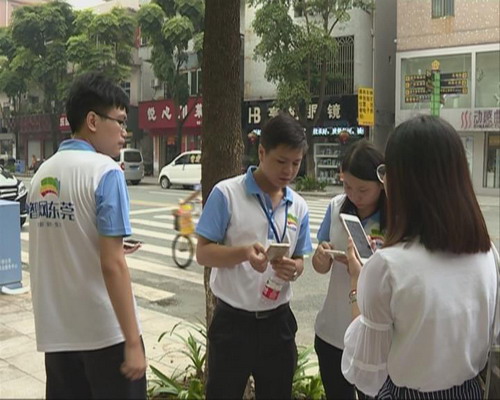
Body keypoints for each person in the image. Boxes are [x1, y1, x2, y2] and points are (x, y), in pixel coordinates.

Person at [341, 115, 498, 399]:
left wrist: (355, 284)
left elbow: (366, 373)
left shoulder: (387, 266)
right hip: (470, 391)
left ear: (403, 182)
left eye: (386, 172)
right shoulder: (487, 252)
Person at [28, 72, 147, 399]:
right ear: (92, 121)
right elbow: (112, 264)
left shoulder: (41, 174)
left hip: (58, 337)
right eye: (120, 122)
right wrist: (132, 341)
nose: (124, 133)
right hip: (106, 335)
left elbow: (63, 241)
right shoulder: (105, 172)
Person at [195, 112, 313, 399]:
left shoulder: (298, 206)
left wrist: (294, 269)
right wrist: (244, 253)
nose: (289, 171)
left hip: (278, 324)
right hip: (233, 324)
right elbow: (203, 253)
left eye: (296, 163)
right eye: (281, 161)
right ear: (261, 152)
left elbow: (300, 259)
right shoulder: (227, 194)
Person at [311, 139, 385, 400]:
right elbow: (319, 263)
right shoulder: (336, 206)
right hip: (333, 334)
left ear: (381, 183)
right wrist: (322, 258)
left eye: (363, 189)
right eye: (347, 186)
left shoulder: (397, 217)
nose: (354, 196)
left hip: (375, 338)